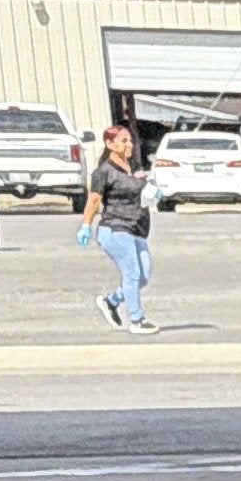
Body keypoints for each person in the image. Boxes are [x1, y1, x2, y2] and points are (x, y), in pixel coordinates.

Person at [82, 118, 159, 335]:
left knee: (143, 276)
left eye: (130, 141)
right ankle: (137, 319)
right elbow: (94, 201)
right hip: (115, 229)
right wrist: (86, 225)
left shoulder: (134, 168)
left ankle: (111, 301)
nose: (129, 145)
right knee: (132, 273)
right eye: (124, 141)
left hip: (138, 229)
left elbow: (143, 191)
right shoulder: (103, 172)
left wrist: (154, 191)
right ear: (110, 144)